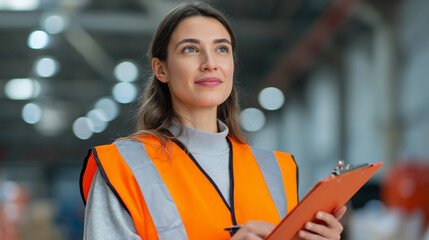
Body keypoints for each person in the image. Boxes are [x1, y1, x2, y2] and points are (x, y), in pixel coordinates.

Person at [79, 2, 346, 239]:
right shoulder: (122, 167)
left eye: (221, 49)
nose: (210, 63)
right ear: (161, 69)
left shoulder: (277, 170)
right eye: (190, 49)